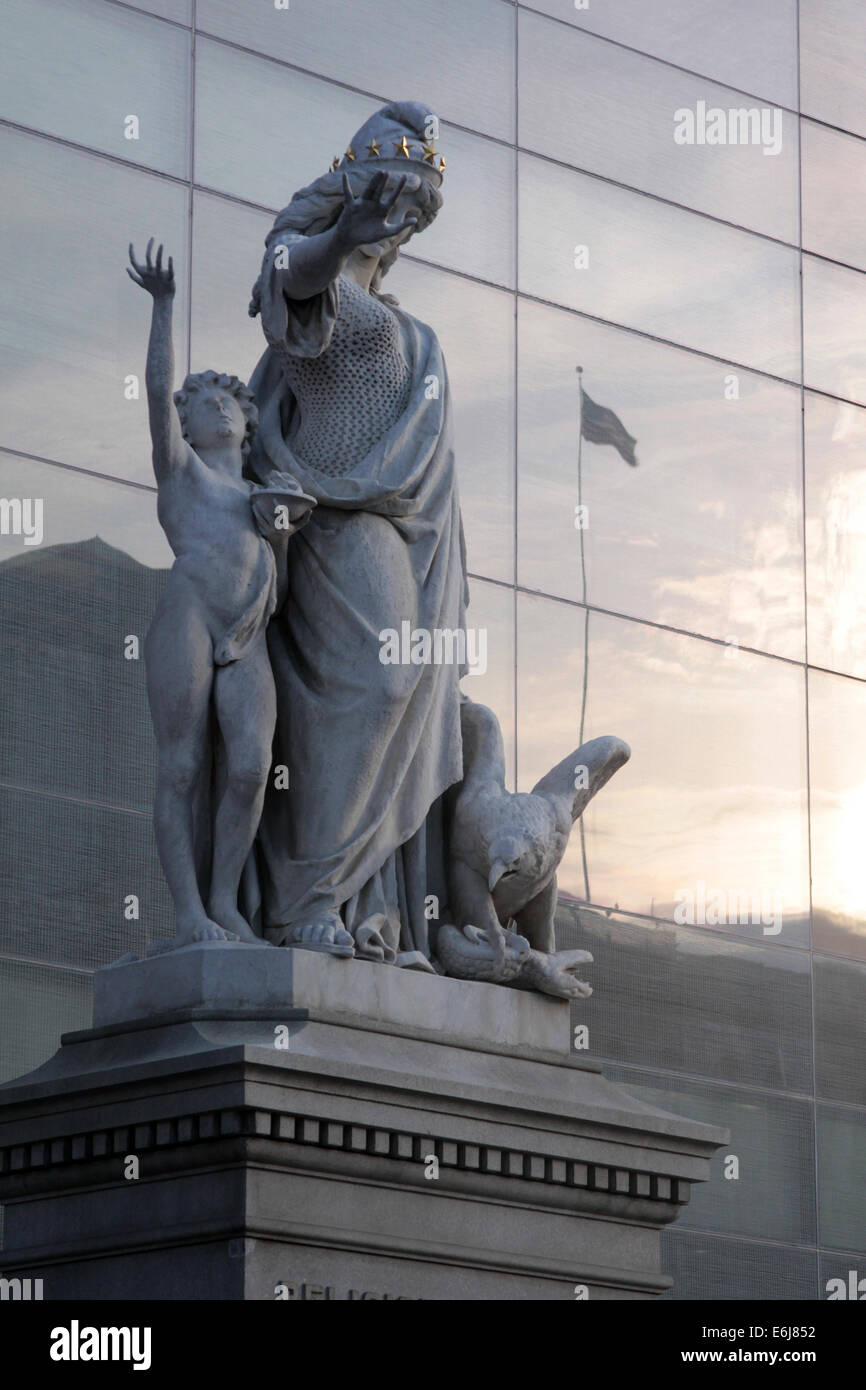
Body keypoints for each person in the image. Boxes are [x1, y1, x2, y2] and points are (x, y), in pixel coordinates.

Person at [244, 102, 468, 966]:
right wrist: (340, 234)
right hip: (337, 522)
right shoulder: (324, 287)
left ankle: (359, 898)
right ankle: (305, 897)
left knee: (404, 694)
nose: (399, 222)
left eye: (413, 212)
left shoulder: (414, 327)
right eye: (392, 199)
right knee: (379, 685)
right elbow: (289, 278)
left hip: (401, 531)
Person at [127, 239, 313, 945]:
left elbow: (280, 593)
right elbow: (154, 389)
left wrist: (283, 534)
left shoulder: (262, 500)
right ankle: (187, 916)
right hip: (190, 617)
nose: (219, 407)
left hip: (247, 635)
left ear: (244, 419)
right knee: (181, 763)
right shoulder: (182, 472)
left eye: (228, 399)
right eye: (204, 401)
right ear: (189, 424)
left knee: (250, 766)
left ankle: (227, 902)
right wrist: (164, 306)